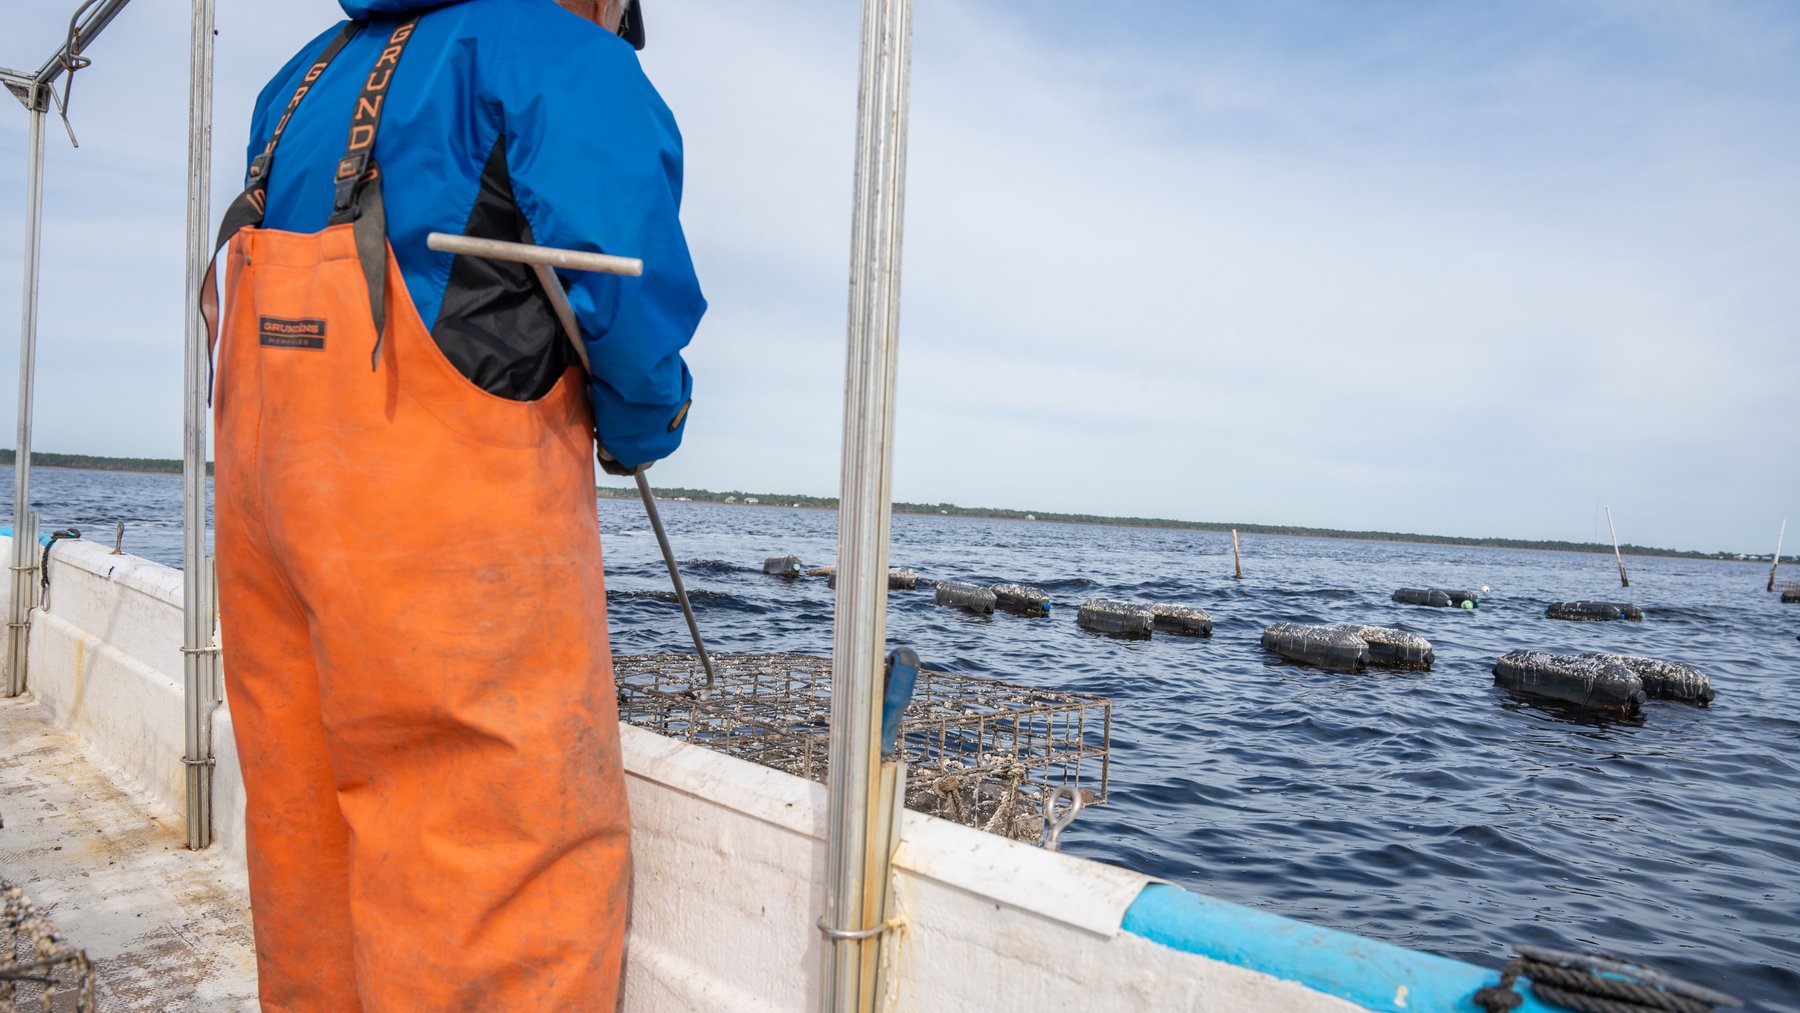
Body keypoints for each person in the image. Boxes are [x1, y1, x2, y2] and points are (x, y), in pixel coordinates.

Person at [203, 0, 703, 1007]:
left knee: (304, 823)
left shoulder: (298, 81)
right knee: (493, 850)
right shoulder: (559, 56)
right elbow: (633, 299)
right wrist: (645, 423)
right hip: (440, 539)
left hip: (270, 517)